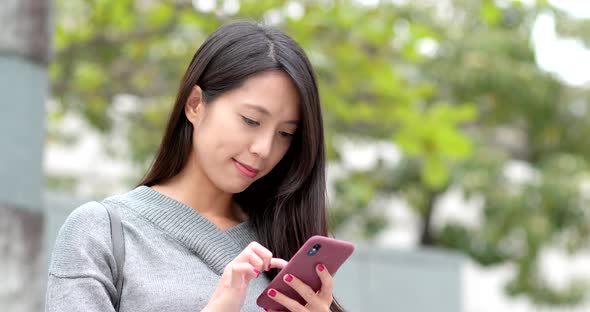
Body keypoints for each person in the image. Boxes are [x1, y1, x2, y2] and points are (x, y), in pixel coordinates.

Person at [45, 21, 346, 312]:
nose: (264, 149)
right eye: (251, 121)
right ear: (194, 104)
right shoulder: (102, 232)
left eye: (285, 134)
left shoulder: (284, 245)